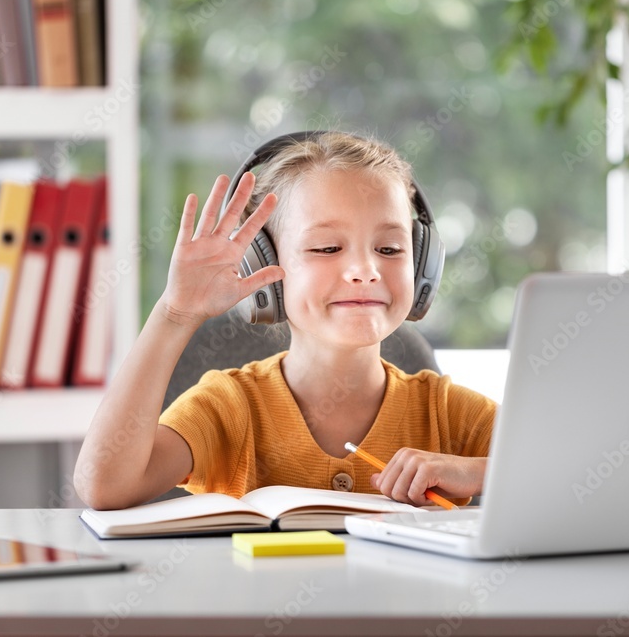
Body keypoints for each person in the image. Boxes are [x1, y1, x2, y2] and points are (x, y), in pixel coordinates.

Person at [74, 132, 496, 511]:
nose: (365, 269)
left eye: (389, 249)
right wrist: (174, 314)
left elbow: (562, 473)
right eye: (328, 248)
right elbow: (104, 486)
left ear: (423, 267)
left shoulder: (446, 412)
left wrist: (478, 472)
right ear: (266, 266)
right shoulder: (229, 408)